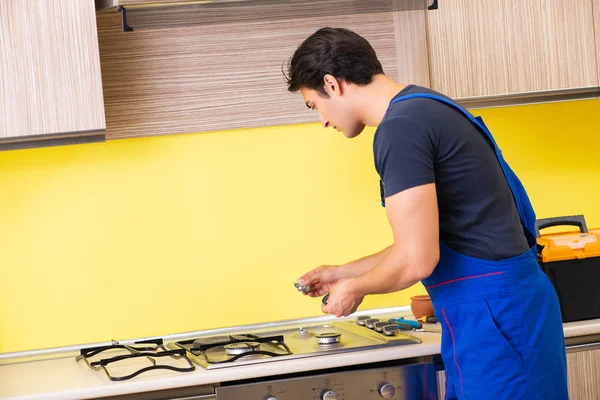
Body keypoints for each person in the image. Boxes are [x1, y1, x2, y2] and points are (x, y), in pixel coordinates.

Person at [285, 27, 568, 400]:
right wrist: (341, 273)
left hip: (495, 322)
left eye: (314, 105)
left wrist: (355, 288)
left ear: (332, 84)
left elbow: (417, 259)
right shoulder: (426, 106)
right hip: (505, 313)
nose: (322, 119)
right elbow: (424, 242)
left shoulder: (400, 130)